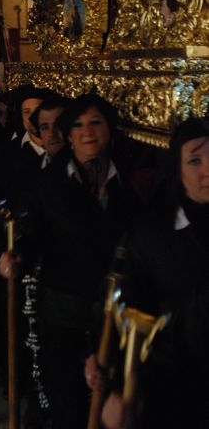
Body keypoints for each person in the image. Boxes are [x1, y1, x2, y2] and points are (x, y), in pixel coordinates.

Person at [0, 93, 141, 429]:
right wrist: (16, 253)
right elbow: (32, 232)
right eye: (77, 124)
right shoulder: (50, 184)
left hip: (114, 315)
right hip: (66, 314)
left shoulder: (128, 184)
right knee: (70, 403)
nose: (87, 132)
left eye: (95, 122)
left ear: (109, 128)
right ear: (69, 134)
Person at [96, 116, 209, 429]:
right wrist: (117, 386)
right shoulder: (149, 236)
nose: (207, 171)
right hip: (172, 387)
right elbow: (124, 313)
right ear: (177, 169)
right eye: (195, 160)